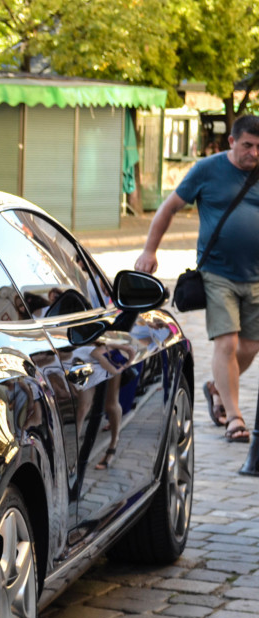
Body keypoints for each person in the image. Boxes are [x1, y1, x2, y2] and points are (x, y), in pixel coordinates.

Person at [135, 114, 259, 444]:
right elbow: (168, 208)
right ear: (232, 142)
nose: (254, 153)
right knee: (227, 342)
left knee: (250, 346)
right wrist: (150, 251)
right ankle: (234, 417)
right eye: (248, 145)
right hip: (217, 273)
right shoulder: (207, 170)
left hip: (256, 276)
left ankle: (217, 388)